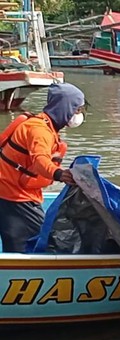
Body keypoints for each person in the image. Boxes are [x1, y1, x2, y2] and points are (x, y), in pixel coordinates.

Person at [0, 83, 84, 252]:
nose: (79, 115)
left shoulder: (45, 126)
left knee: (22, 242)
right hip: (14, 196)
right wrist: (59, 174)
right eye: (77, 109)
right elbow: (40, 161)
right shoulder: (40, 131)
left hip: (15, 192)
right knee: (42, 241)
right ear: (65, 107)